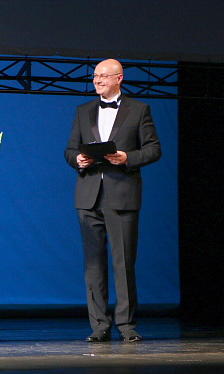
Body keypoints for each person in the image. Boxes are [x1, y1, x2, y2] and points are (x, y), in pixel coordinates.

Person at [64, 59, 162, 342]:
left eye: (103, 76)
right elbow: (69, 150)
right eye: (95, 76)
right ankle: (99, 326)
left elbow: (154, 149)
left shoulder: (139, 110)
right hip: (88, 196)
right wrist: (78, 159)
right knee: (93, 265)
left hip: (122, 195)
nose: (97, 80)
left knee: (123, 263)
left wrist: (127, 157)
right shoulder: (83, 110)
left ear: (119, 78)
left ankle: (127, 326)